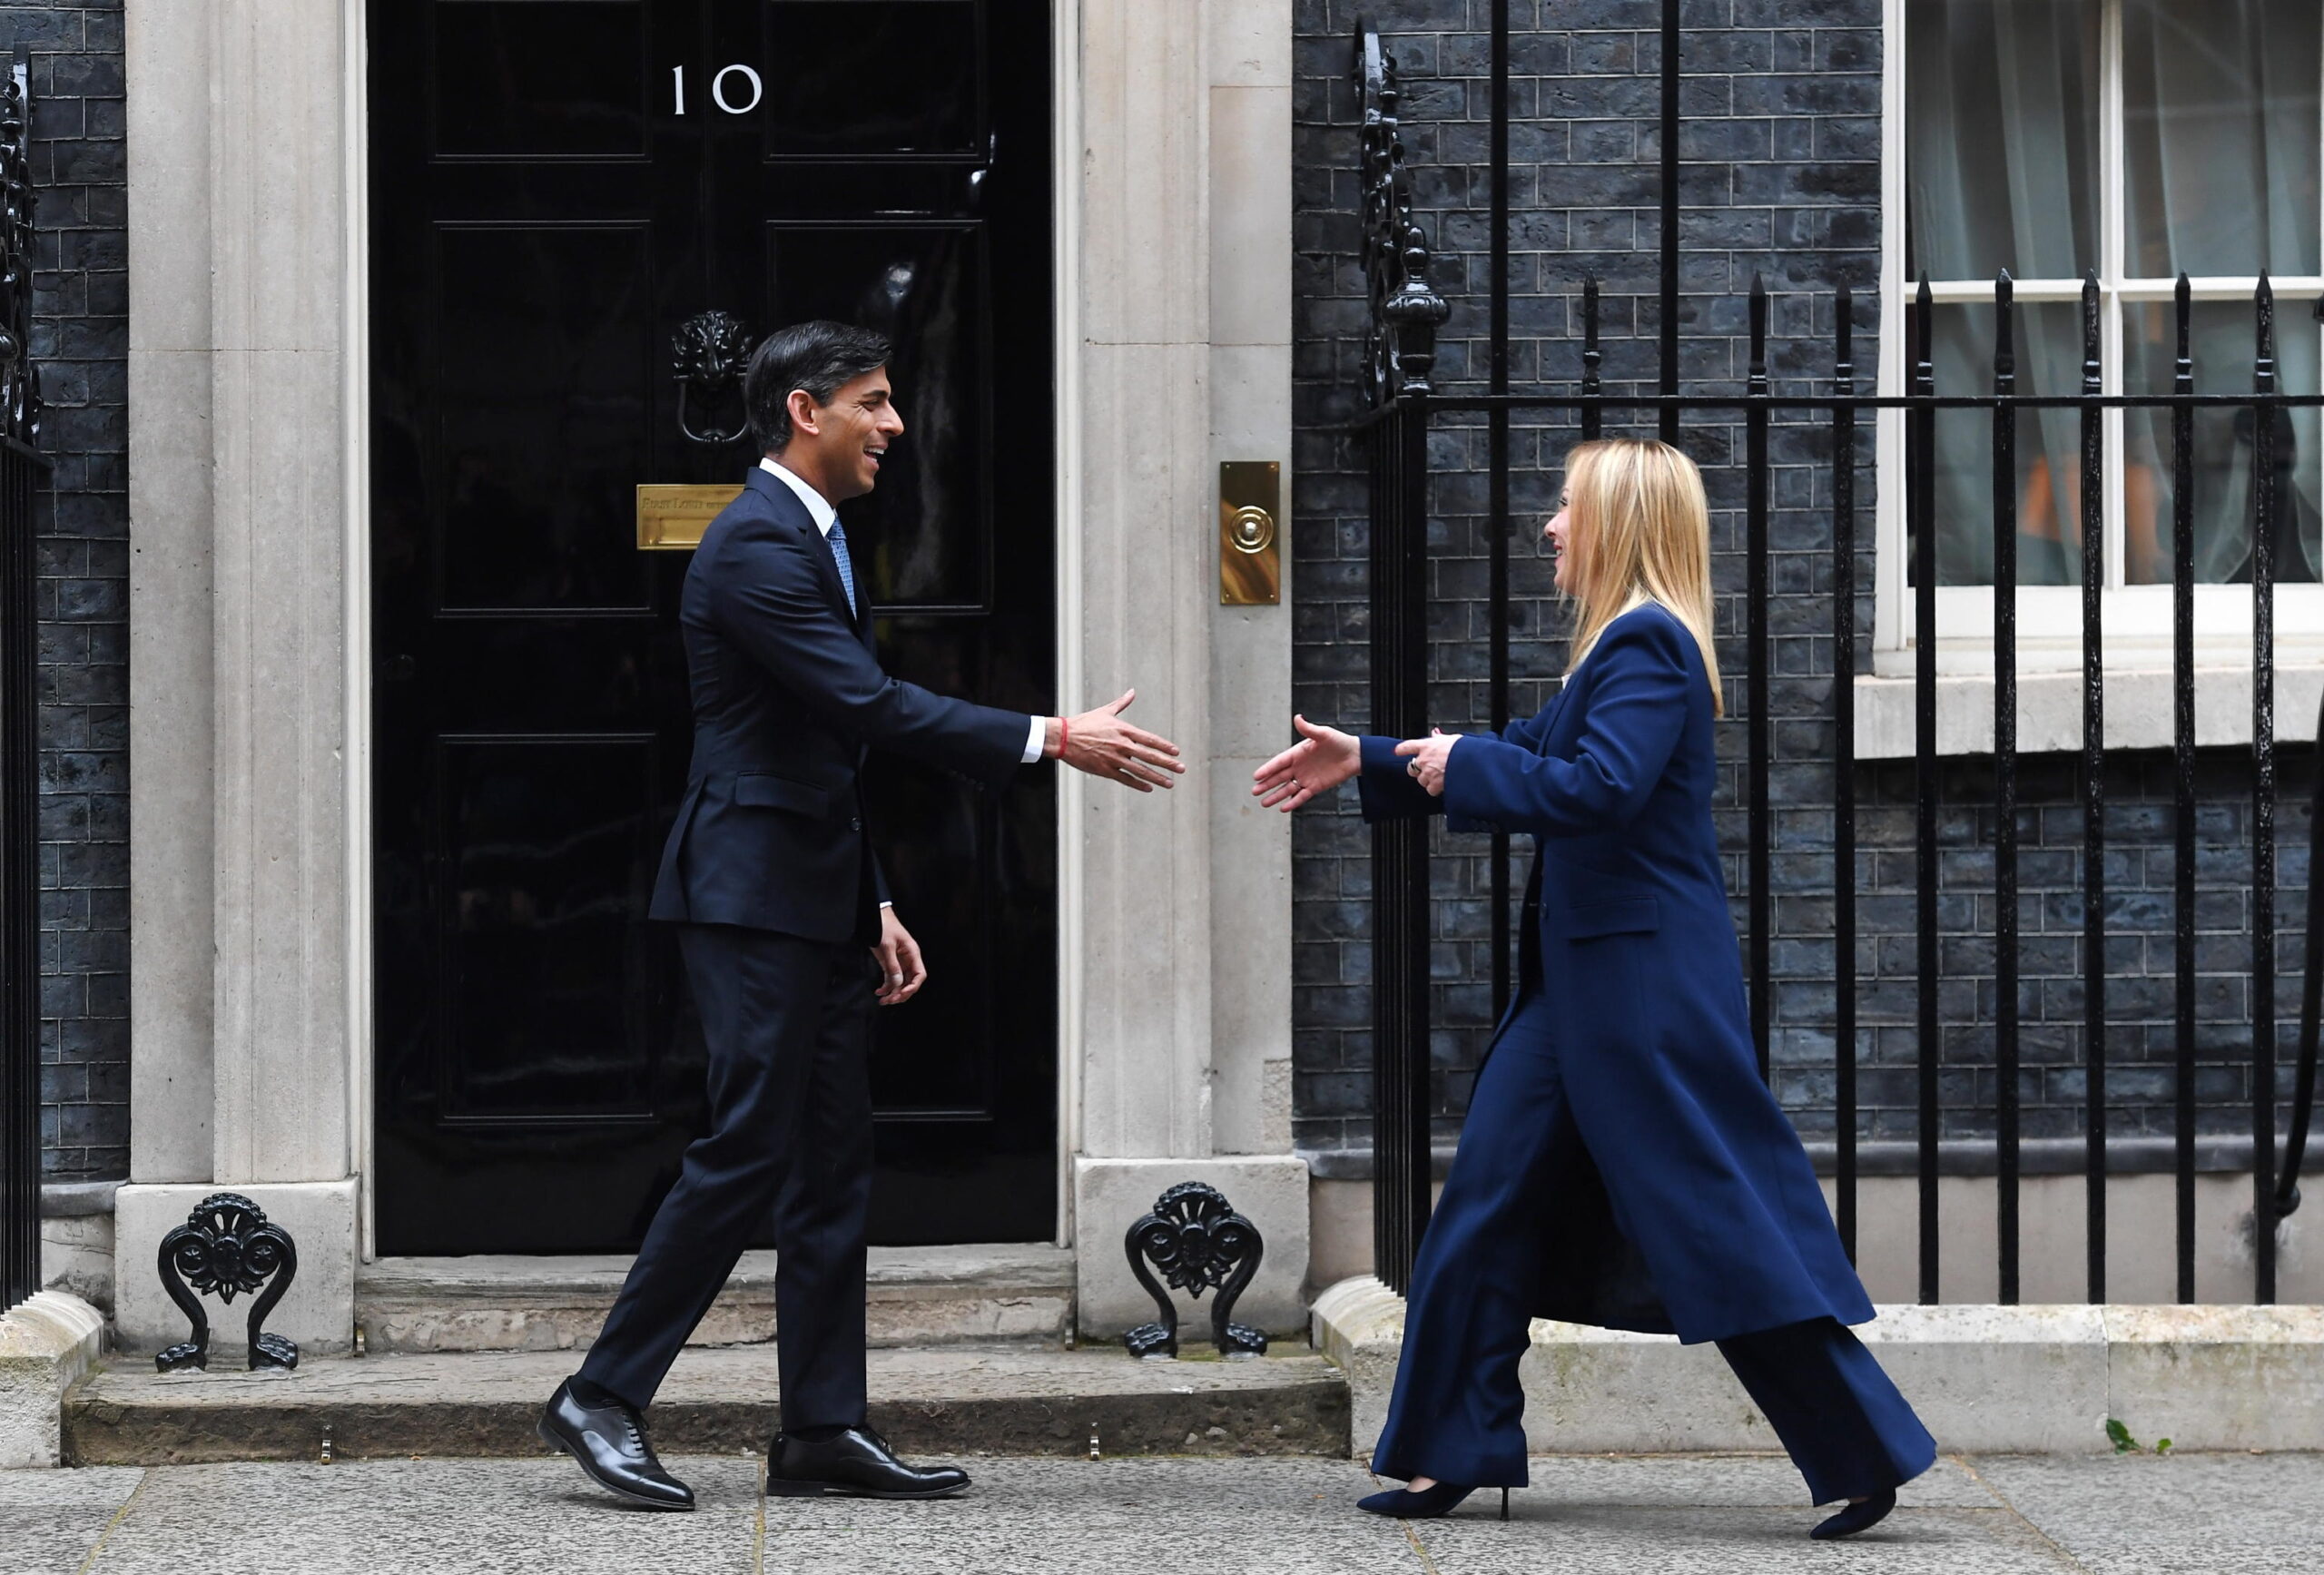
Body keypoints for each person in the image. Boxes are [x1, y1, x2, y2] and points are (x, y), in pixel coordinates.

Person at [540, 320, 1183, 1510]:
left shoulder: (816, 539)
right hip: (746, 896)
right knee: (746, 1150)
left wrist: (872, 894)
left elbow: (823, 742)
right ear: (806, 409)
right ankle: (603, 1392)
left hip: (814, 894)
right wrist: (1051, 735)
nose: (893, 424)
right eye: (874, 403)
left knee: (833, 1167)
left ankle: (822, 1424)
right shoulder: (749, 546)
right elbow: (868, 702)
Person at [1252, 438, 1935, 1540]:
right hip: (1582, 990)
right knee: (1485, 1203)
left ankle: (1863, 1449)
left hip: (1642, 993)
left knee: (1714, 1220)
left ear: (1617, 524)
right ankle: (1445, 1451)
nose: (1551, 527)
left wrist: (1458, 766)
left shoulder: (1650, 644)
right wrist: (1377, 757)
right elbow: (1531, 749)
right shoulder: (1615, 649)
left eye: (1567, 509)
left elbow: (1599, 787)